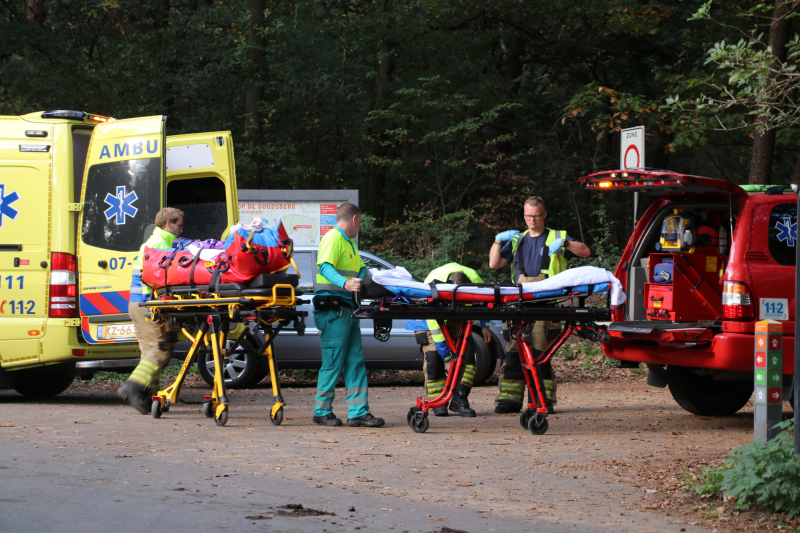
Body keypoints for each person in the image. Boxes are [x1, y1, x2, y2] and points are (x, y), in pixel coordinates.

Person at [488, 196, 591, 414]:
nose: (531, 220)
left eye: (535, 215)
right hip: (519, 301)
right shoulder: (517, 239)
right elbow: (494, 264)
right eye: (527, 216)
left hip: (546, 301)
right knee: (514, 351)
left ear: (544, 215)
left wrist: (565, 244)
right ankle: (509, 399)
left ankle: (542, 400)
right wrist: (498, 241)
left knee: (539, 353)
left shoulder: (557, 236)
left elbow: (585, 252)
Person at [312, 203, 385, 428]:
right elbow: (323, 266)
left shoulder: (348, 244)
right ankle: (321, 412)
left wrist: (387, 280)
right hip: (333, 311)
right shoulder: (334, 238)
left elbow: (363, 272)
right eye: (360, 222)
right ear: (354, 219)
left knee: (354, 361)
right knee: (333, 362)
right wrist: (345, 282)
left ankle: (358, 412)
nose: (359, 227)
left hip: (347, 310)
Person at [117, 208, 184, 414]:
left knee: (150, 352)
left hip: (138, 303)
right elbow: (158, 277)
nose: (181, 229)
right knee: (160, 349)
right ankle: (133, 387)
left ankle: (150, 397)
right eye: (179, 225)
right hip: (147, 304)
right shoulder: (159, 245)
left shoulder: (154, 242)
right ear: (168, 224)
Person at [406, 263, 493, 417]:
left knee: (467, 355)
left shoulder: (473, 277)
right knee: (434, 359)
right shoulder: (434, 285)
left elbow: (486, 299)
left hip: (456, 315)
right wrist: (447, 358)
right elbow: (436, 330)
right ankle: (437, 401)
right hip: (429, 319)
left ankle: (459, 399)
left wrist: (485, 324)